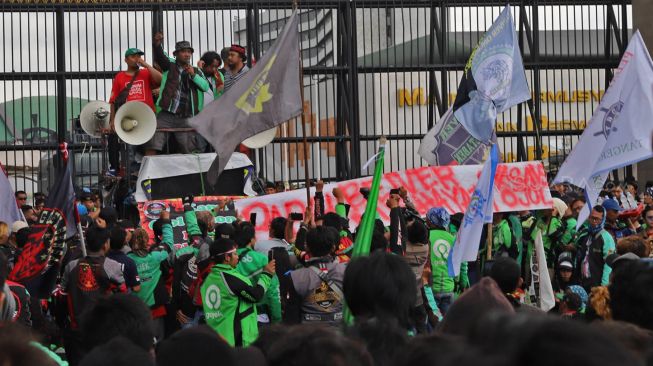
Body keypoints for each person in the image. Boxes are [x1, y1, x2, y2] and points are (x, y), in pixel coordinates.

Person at [60, 227, 126, 363]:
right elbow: (124, 296)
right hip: (103, 331)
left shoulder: (71, 266)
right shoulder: (113, 267)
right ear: (105, 244)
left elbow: (62, 296)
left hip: (76, 330)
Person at [201, 238, 275, 346]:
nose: (238, 257)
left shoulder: (208, 277)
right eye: (235, 254)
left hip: (214, 338)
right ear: (227, 257)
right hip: (233, 341)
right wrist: (267, 274)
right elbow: (256, 296)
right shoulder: (230, 279)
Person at [148, 32, 209, 155]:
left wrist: (193, 75)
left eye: (189, 52)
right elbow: (160, 56)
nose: (187, 54)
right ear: (176, 54)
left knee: (189, 149)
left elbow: (205, 87)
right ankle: (150, 173)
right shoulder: (169, 66)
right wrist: (157, 44)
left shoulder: (197, 71)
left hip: (186, 116)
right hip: (167, 113)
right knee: (152, 143)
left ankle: (190, 174)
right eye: (183, 51)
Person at [107, 47, 162, 175]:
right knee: (129, 150)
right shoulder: (120, 77)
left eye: (138, 56)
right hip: (128, 118)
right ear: (126, 60)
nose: (136, 59)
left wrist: (146, 65)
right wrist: (113, 120)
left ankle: (149, 174)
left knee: (150, 146)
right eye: (133, 56)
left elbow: (160, 80)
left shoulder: (146, 73)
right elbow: (113, 100)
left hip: (146, 117)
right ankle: (130, 175)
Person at [127, 213, 174, 341]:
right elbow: (169, 242)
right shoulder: (155, 256)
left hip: (134, 312)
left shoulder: (126, 261)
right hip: (155, 311)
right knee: (157, 342)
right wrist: (165, 220)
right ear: (147, 242)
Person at [285, 226, 345, 326]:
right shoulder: (345, 271)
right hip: (338, 335)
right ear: (333, 247)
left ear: (306, 247)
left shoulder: (296, 277)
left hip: (308, 335)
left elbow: (291, 317)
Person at [234, 222, 282, 326]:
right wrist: (277, 320)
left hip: (233, 317)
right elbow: (273, 292)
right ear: (251, 240)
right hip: (258, 317)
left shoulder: (227, 259)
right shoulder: (262, 259)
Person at [425, 207, 465, 316]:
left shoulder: (426, 237)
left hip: (430, 290)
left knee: (432, 324)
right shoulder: (453, 239)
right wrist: (462, 283)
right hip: (449, 288)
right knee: (448, 325)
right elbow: (460, 264)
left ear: (431, 220)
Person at [574, 205, 616, 291]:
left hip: (597, 284)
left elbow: (608, 264)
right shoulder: (585, 234)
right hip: (582, 282)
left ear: (603, 219)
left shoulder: (606, 238)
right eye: (591, 218)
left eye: (597, 219)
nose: (594, 221)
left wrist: (603, 286)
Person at [106, 227, 141, 293]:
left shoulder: (102, 259)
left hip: (106, 299)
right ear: (124, 242)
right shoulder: (130, 262)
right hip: (124, 299)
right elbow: (137, 288)